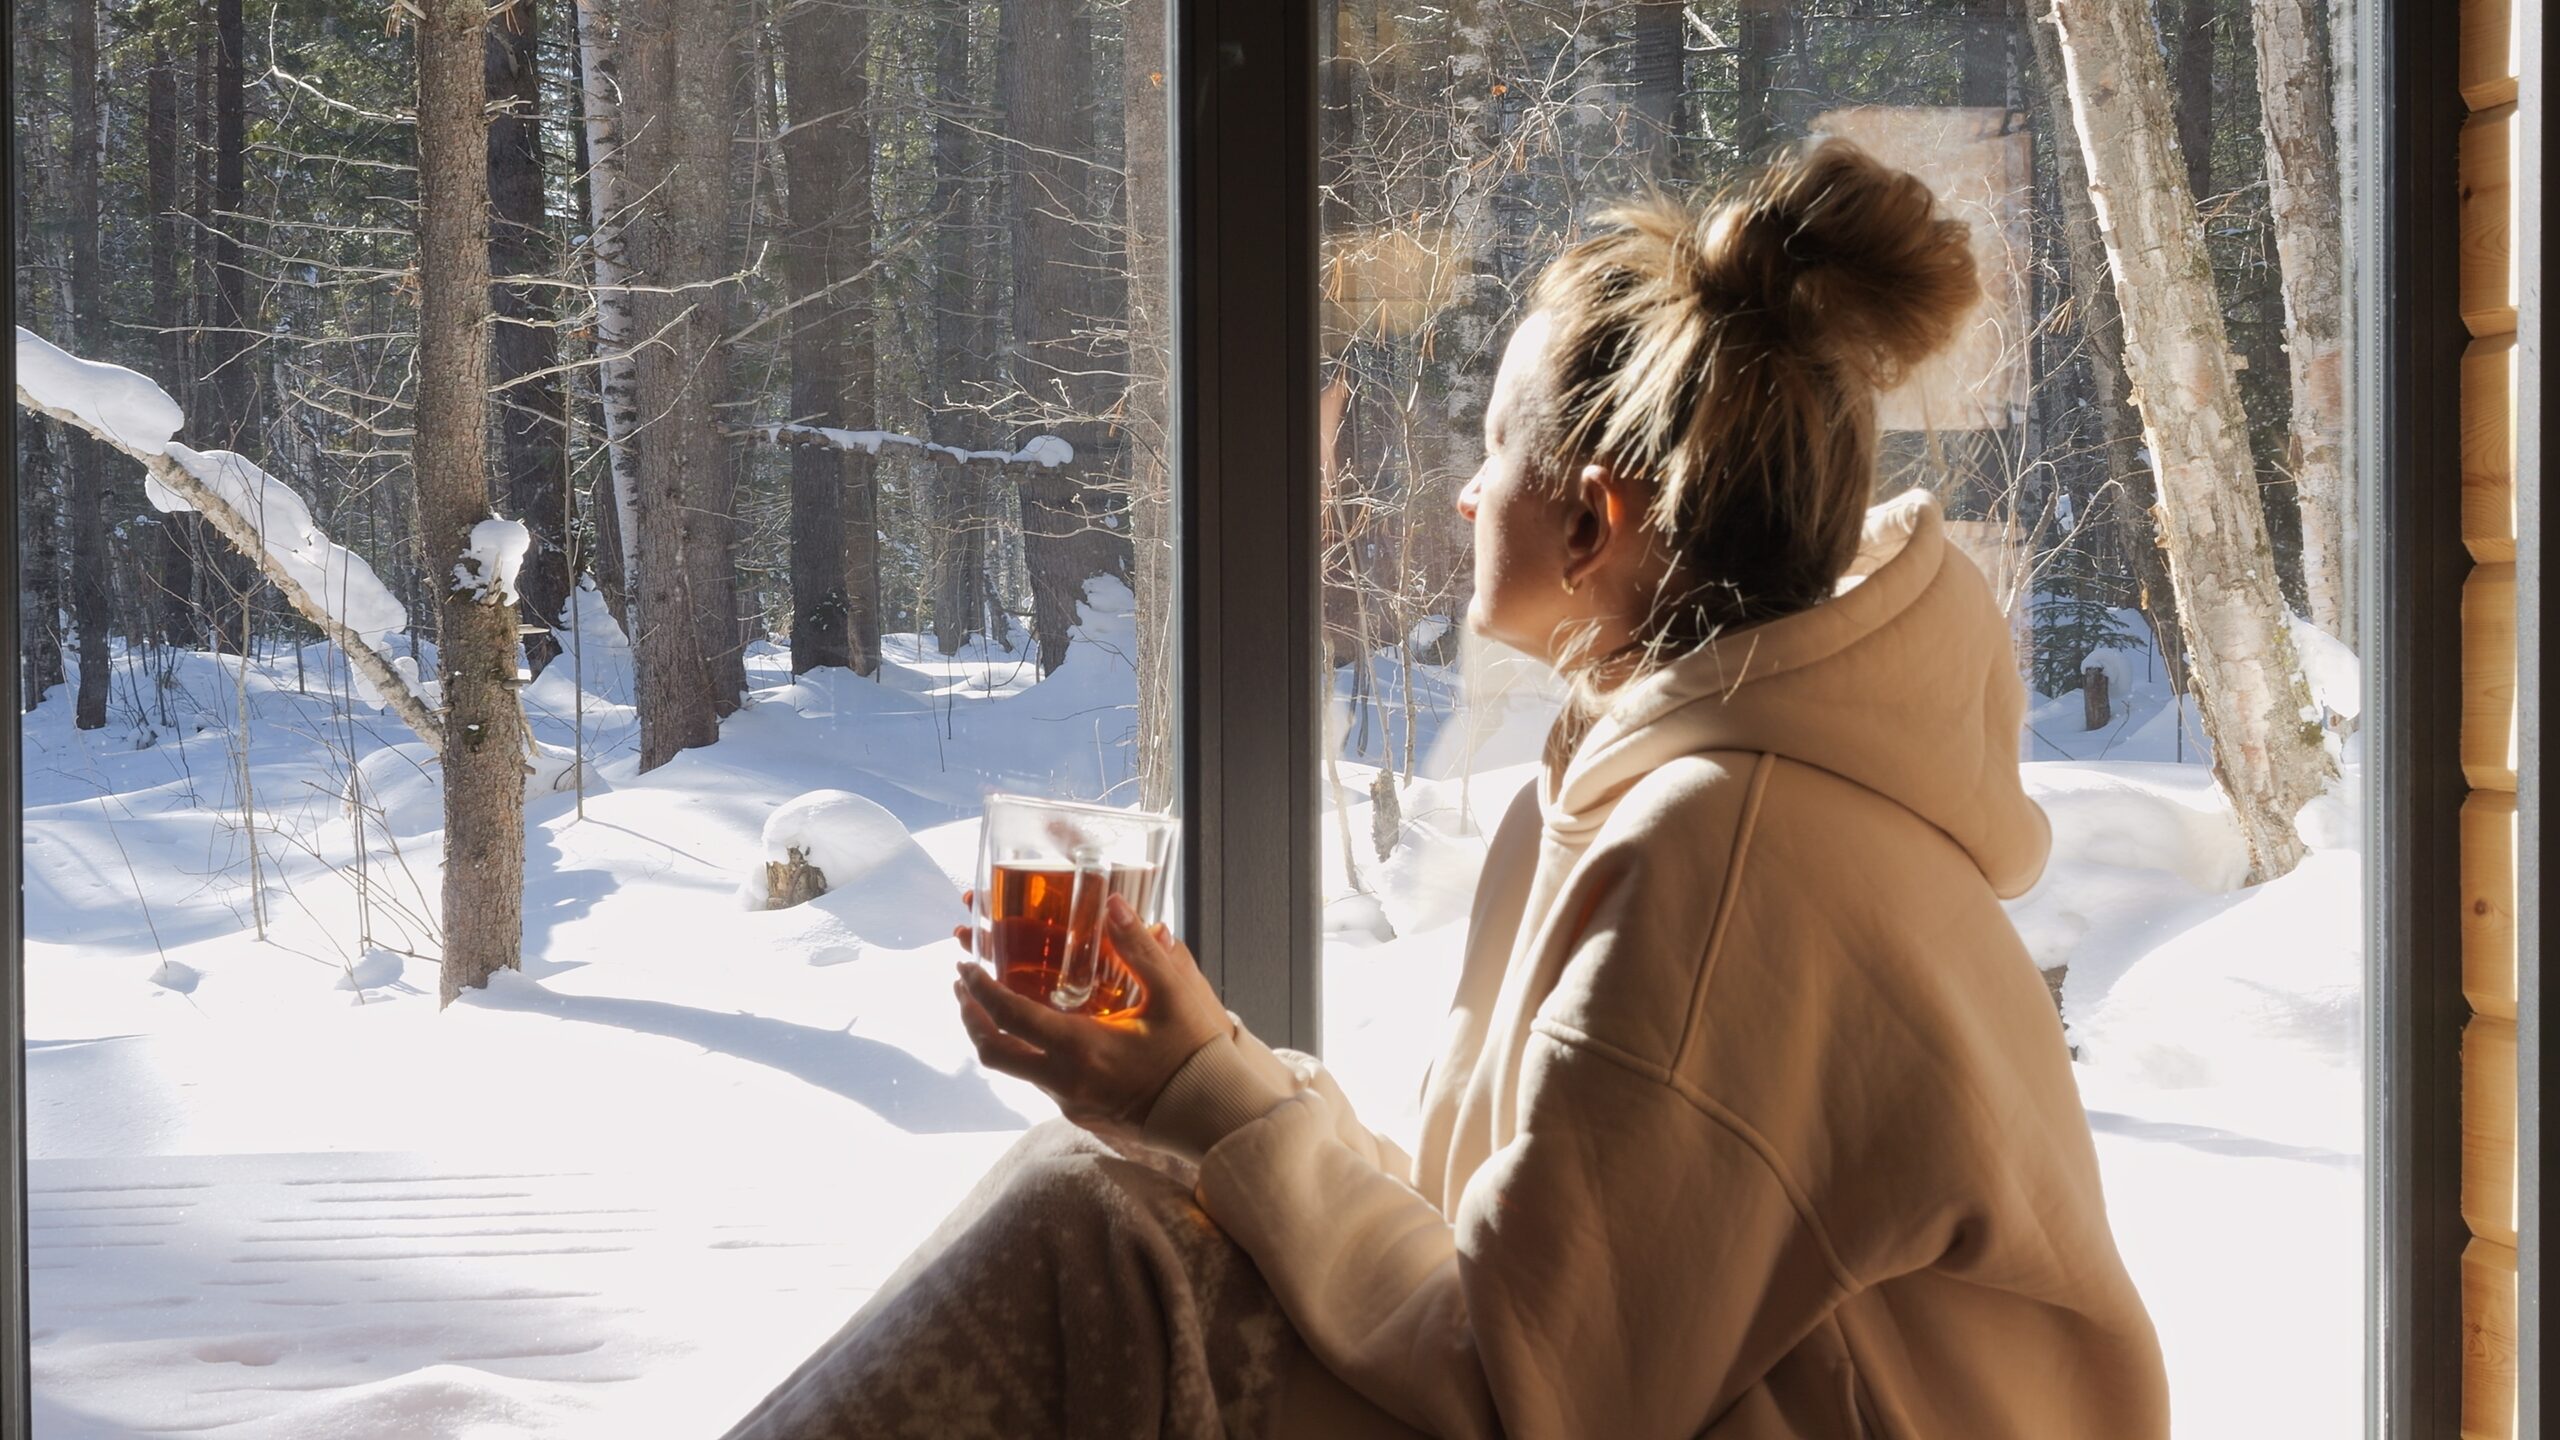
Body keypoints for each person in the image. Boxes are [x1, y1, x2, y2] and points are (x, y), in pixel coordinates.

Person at [719, 139, 2170, 1440]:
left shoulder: (1728, 854)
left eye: (1493, 451)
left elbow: (1518, 1387)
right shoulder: (1641, 796)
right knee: (1107, 1212)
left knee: (1091, 1245)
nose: (1468, 496)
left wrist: (1202, 1104)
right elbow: (1502, 1261)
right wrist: (1213, 1075)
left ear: (1595, 515)